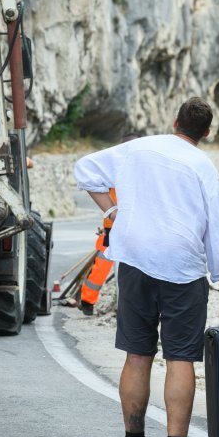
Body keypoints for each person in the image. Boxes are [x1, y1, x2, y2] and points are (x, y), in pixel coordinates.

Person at [74, 97, 219, 437]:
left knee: (136, 354)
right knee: (180, 357)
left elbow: (84, 170)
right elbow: (217, 238)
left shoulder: (138, 148)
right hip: (182, 267)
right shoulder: (203, 165)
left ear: (174, 120)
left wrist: (112, 211)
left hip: (134, 261)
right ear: (206, 133)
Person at [78, 133, 139, 315]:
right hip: (114, 227)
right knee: (104, 265)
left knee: (107, 266)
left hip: (118, 225)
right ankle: (88, 301)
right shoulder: (118, 167)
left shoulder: (113, 166)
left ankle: (89, 301)